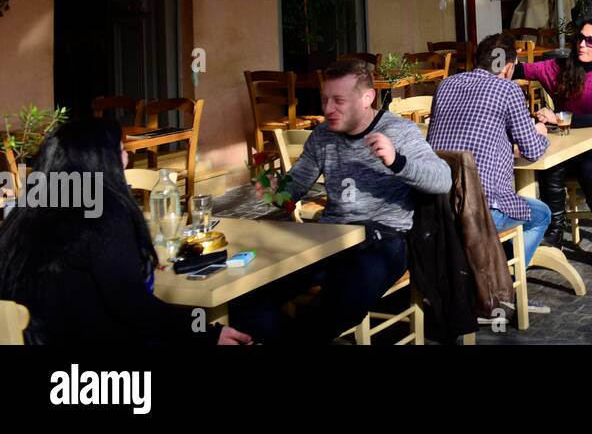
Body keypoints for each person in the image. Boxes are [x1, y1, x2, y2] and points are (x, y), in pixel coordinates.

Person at [231, 58, 452, 343]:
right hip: (330, 237)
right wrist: (275, 192)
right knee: (251, 293)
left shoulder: (399, 131)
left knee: (336, 303)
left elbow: (442, 179)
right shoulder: (323, 135)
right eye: (324, 99)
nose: (328, 109)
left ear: (367, 98)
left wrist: (398, 161)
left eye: (338, 100)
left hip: (384, 239)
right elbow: (294, 189)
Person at [0, 118, 254, 345]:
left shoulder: (24, 216)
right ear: (100, 161)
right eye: (120, 151)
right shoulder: (104, 217)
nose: (127, 159)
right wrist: (206, 333)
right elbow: (132, 306)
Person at [428, 33, 551, 271]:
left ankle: (486, 271)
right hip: (483, 210)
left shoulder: (444, 85)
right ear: (507, 67)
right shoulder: (507, 90)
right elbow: (532, 150)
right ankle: (505, 283)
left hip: (439, 206)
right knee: (542, 215)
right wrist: (541, 133)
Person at [517, 18, 592, 274]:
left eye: (591, 41)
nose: (582, 44)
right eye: (580, 38)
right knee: (549, 164)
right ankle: (554, 234)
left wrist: (559, 119)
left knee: (590, 169)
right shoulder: (561, 67)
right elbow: (520, 70)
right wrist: (489, 70)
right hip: (569, 147)